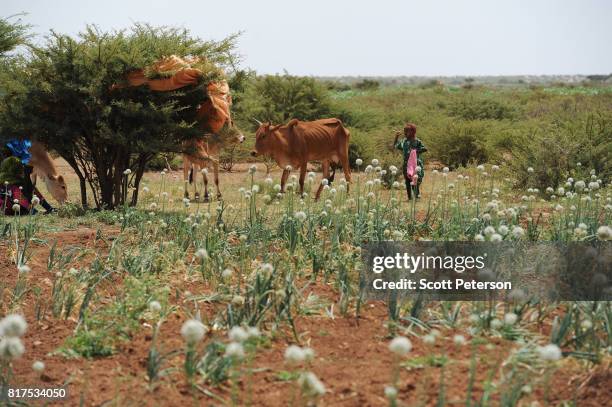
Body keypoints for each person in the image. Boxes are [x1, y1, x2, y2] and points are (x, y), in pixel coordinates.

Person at [394, 123, 427, 200]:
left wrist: (414, 151)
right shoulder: (404, 141)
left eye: (407, 131)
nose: (405, 133)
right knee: (407, 180)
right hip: (406, 164)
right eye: (404, 131)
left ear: (413, 132)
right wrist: (396, 137)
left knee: (415, 180)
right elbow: (396, 145)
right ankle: (409, 198)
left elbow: (424, 149)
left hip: (415, 164)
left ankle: (417, 196)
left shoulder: (417, 141)